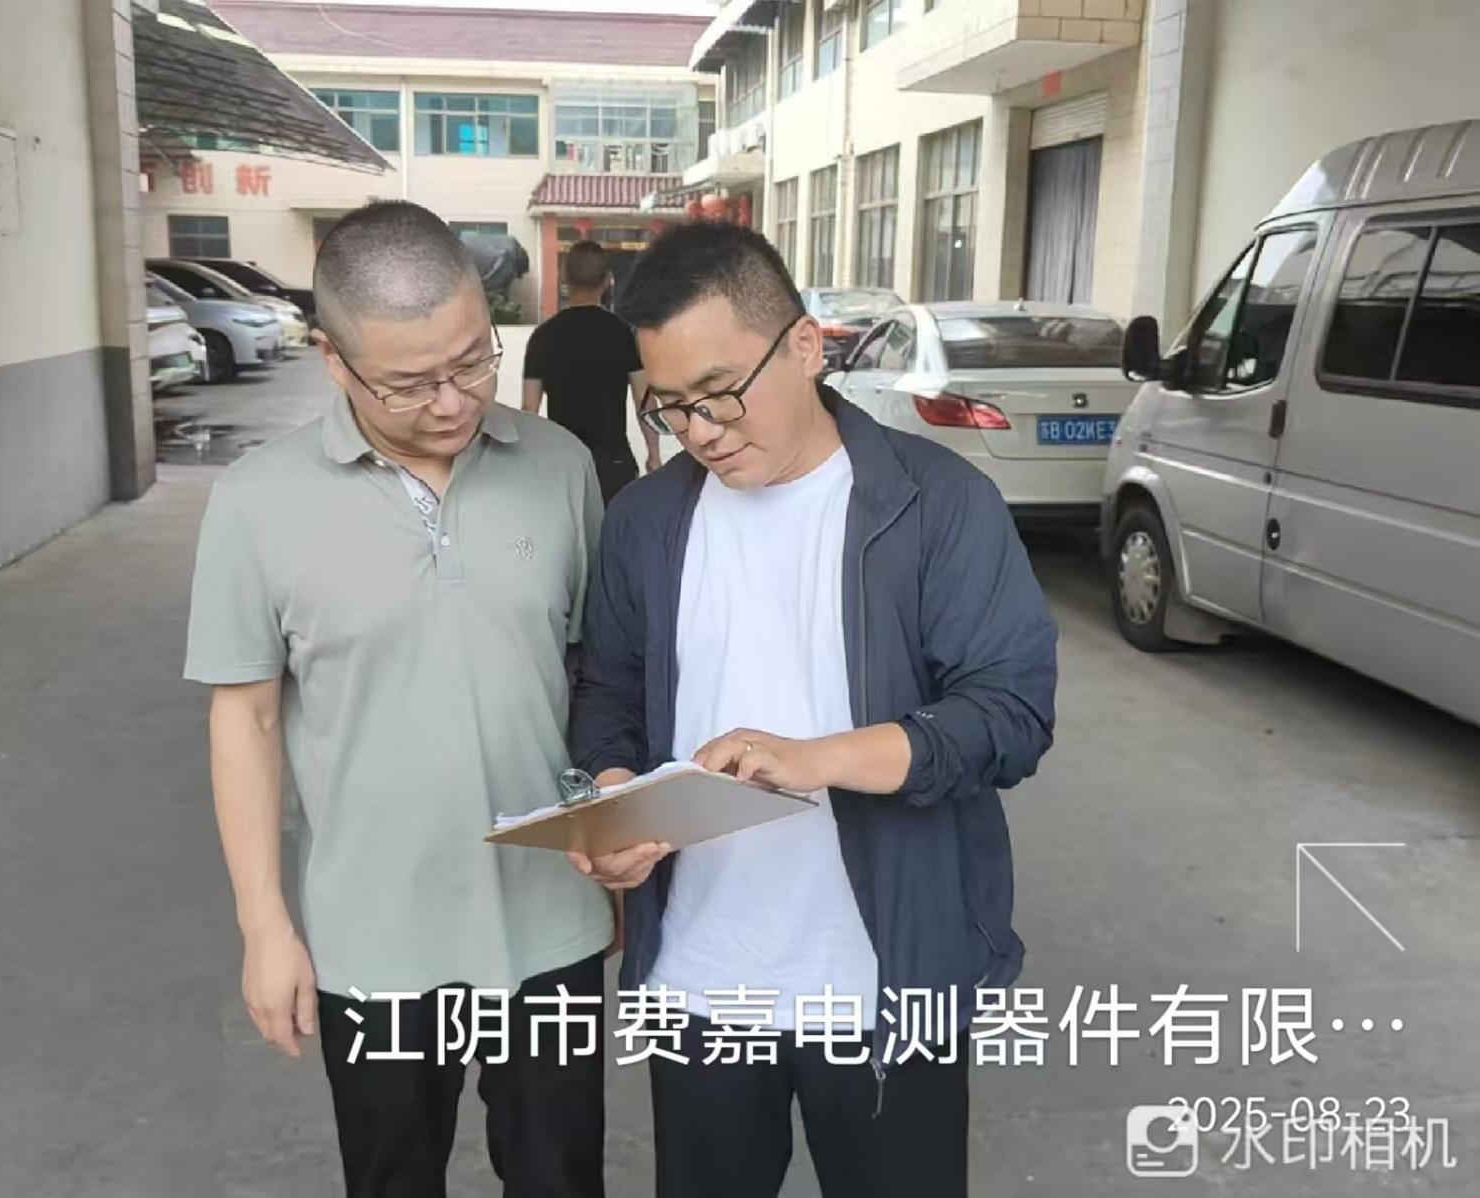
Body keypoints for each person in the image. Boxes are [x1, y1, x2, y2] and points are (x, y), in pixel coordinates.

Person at [568, 222, 1058, 1198]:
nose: (700, 430)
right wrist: (615, 801)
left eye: (719, 393)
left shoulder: (937, 504)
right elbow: (608, 696)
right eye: (669, 405)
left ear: (803, 346)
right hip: (700, 983)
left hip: (887, 984)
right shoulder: (645, 522)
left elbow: (1008, 715)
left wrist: (815, 758)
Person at [184, 201, 613, 1198]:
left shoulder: (560, 467)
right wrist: (264, 926)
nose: (454, 401)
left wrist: (612, 841)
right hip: (371, 938)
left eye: (473, 360)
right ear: (333, 360)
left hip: (550, 922)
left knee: (561, 1180)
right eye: (411, 383)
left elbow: (595, 675)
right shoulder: (256, 501)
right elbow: (244, 719)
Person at [523, 240, 662, 502]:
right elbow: (644, 401)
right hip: (613, 464)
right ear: (608, 280)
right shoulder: (622, 334)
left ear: (564, 278)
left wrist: (529, 462)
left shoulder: (543, 337)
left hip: (563, 464)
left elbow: (529, 410)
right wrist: (654, 454)